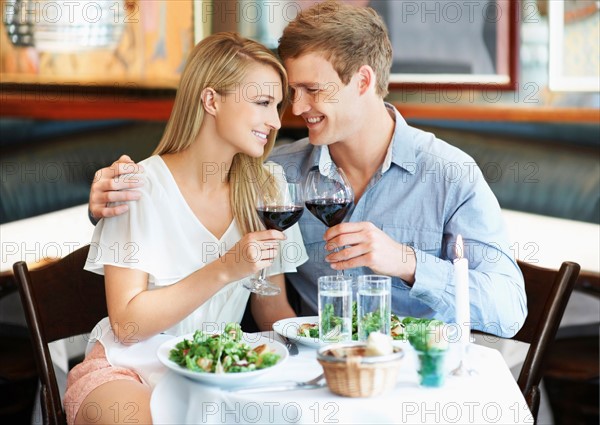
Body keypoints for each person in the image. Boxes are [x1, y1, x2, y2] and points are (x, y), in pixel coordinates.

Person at [88, 1, 526, 339]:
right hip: (317, 383)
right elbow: (180, 189)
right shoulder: (274, 174)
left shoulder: (450, 176)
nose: (294, 111)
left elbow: (509, 311)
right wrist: (106, 198)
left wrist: (406, 262)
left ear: (362, 81)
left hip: (416, 381)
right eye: (289, 93)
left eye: (312, 90)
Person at [66, 32, 307, 425]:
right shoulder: (137, 185)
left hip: (218, 370)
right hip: (127, 368)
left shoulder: (269, 188)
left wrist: (317, 348)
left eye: (277, 105)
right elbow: (128, 326)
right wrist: (226, 268)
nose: (276, 121)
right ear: (211, 100)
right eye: (262, 103)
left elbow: (271, 308)